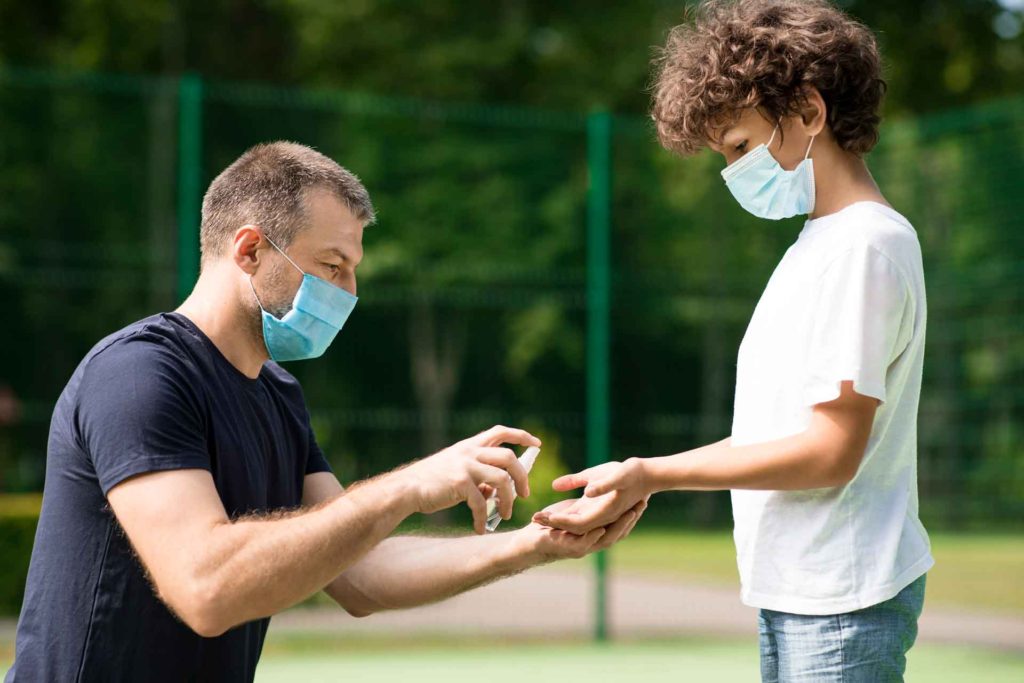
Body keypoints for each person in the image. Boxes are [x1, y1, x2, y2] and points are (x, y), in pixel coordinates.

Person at [6, 141, 646, 682]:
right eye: (331, 267)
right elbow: (204, 587)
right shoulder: (140, 373)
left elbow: (359, 574)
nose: (349, 294)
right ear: (250, 250)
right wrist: (406, 486)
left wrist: (535, 544)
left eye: (353, 271)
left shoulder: (276, 392)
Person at [534, 2, 932, 680]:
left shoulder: (866, 246)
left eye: (741, 146)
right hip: (799, 593)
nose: (733, 174)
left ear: (809, 110)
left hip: (839, 604)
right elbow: (773, 434)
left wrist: (654, 473)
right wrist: (644, 473)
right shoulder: (818, 245)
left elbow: (831, 452)